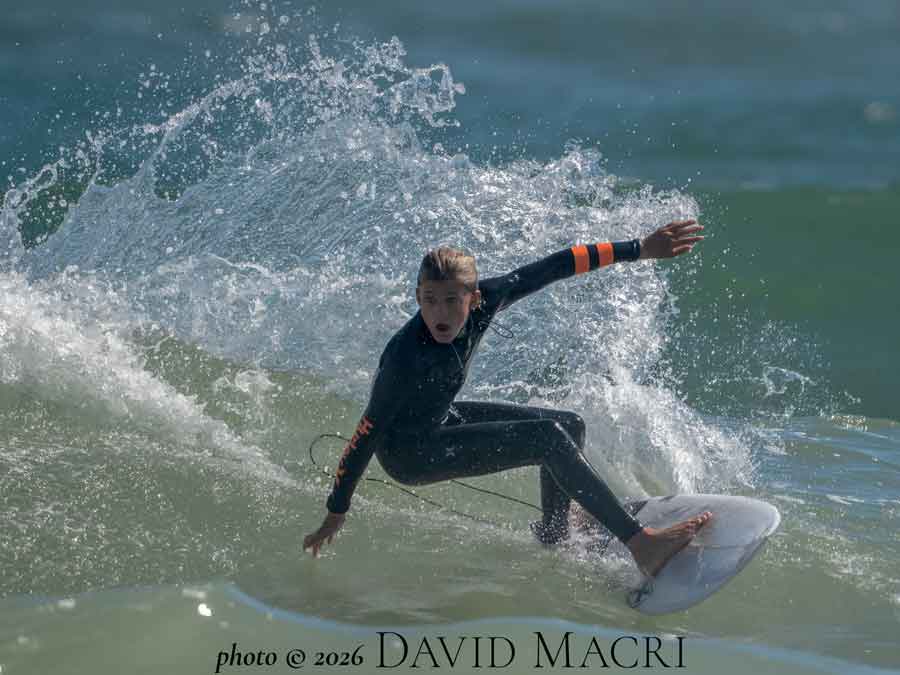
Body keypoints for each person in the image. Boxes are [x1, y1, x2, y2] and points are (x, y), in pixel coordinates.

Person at [303, 219, 711, 577]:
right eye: (429, 300)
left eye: (451, 300)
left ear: (474, 297)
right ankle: (642, 545)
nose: (439, 313)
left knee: (569, 426)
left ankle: (555, 532)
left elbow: (556, 265)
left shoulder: (490, 299)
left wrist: (638, 248)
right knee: (548, 439)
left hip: (438, 419)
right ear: (417, 297)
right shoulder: (404, 357)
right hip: (409, 454)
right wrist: (337, 509)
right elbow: (366, 434)